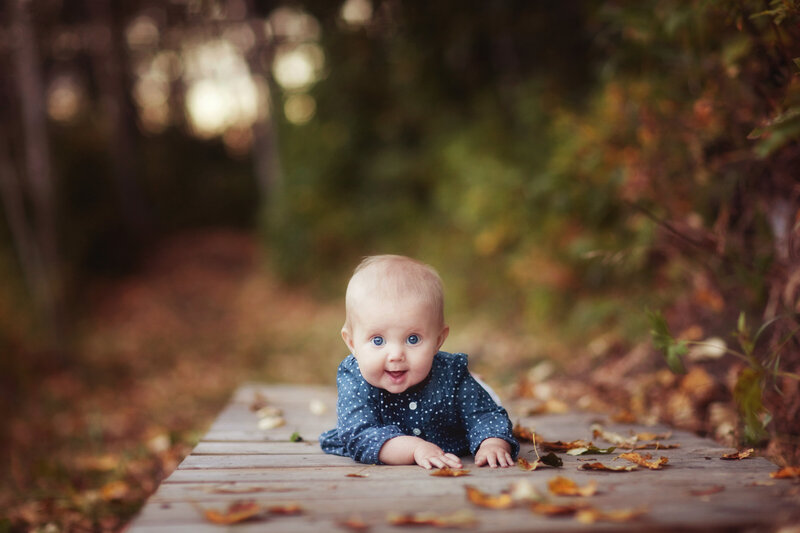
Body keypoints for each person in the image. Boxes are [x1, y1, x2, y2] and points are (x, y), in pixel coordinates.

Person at [319, 255, 519, 469]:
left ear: (438, 340)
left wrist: (492, 443)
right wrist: (414, 448)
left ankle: (480, 385)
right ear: (352, 343)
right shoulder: (355, 379)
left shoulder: (451, 375)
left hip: (456, 420)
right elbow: (359, 434)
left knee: (479, 398)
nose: (396, 354)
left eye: (412, 339)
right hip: (401, 439)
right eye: (378, 341)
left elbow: (483, 414)